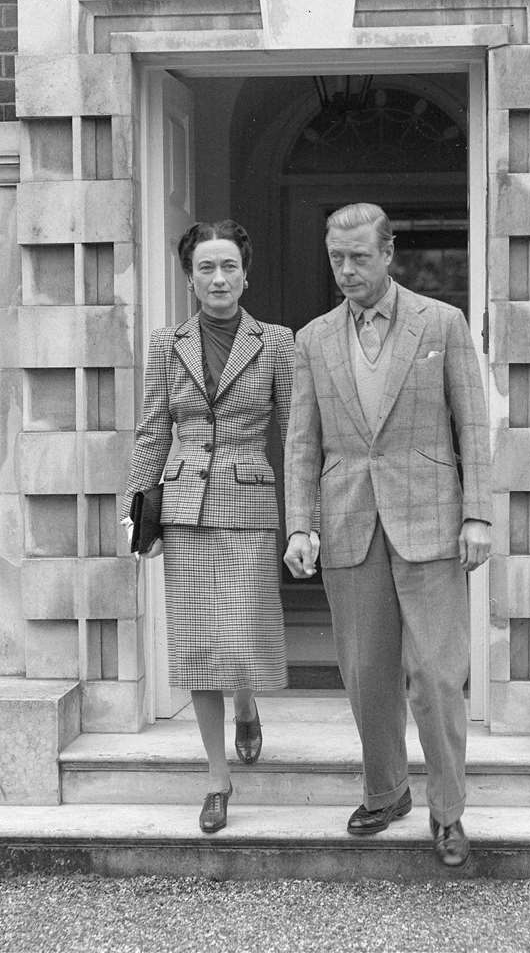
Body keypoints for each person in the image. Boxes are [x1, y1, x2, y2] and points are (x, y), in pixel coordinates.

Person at [283, 202, 491, 868]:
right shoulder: (312, 338)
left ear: (389, 253)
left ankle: (450, 811)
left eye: (359, 258)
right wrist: (299, 525)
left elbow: (474, 428)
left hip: (430, 521)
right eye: (336, 259)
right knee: (366, 673)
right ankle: (386, 791)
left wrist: (478, 514)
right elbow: (300, 445)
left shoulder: (442, 323)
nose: (346, 271)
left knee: (435, 675)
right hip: (348, 522)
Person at [122, 219, 293, 834]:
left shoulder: (276, 342)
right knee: (198, 644)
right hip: (184, 503)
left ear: (246, 274)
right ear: (190, 277)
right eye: (205, 268)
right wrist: (138, 503)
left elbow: (294, 433)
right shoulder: (167, 345)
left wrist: (303, 518)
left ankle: (246, 702)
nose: (218, 278)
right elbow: (152, 427)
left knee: (241, 631)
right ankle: (217, 777)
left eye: (228, 267)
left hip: (249, 503)